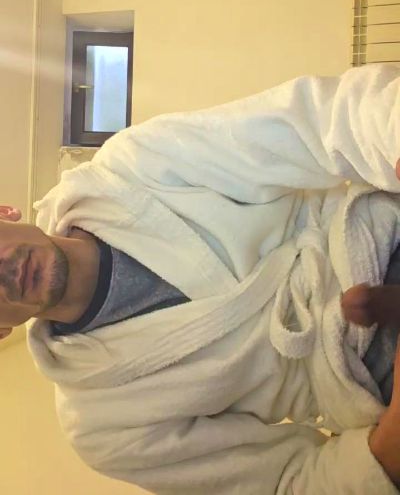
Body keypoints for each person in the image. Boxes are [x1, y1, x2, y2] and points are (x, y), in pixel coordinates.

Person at [2, 63, 400, 493]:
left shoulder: (130, 168)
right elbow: (287, 483)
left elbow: (319, 121)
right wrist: (392, 439)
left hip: (381, 234)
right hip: (371, 380)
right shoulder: (100, 424)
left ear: (4, 212)